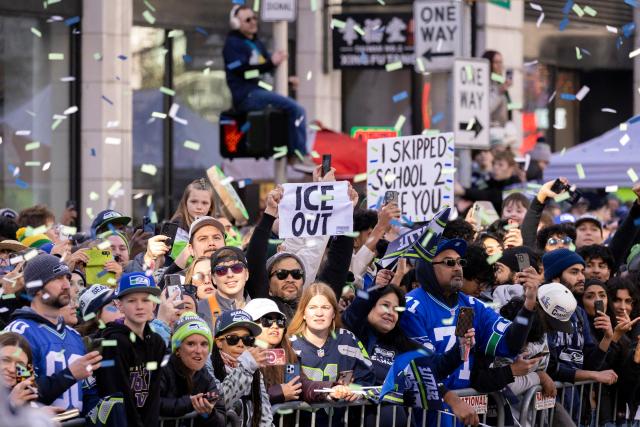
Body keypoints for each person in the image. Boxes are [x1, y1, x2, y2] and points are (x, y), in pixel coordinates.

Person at [399, 235, 538, 404]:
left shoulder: (472, 306)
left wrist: (529, 305)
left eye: (460, 262)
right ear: (428, 267)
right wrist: (451, 399)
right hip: (428, 408)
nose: (457, 268)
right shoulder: (412, 306)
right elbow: (424, 368)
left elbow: (509, 344)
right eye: (449, 262)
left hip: (465, 408)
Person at [341, 283, 480, 425]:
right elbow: (352, 315)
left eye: (396, 309)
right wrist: (376, 284)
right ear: (369, 306)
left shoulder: (406, 347)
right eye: (385, 305)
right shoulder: (353, 336)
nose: (390, 312)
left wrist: (461, 347)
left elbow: (437, 368)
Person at [5, 254, 102, 412]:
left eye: (67, 279)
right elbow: (20, 392)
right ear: (37, 288)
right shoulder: (20, 332)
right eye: (57, 279)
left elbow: (86, 392)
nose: (66, 285)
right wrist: (70, 374)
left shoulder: (75, 336)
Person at [222, 5, 313, 173]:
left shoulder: (255, 43)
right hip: (247, 95)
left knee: (288, 112)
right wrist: (271, 63)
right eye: (247, 20)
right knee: (296, 109)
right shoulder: (233, 45)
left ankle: (294, 153)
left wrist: (284, 80)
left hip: (256, 92)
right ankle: (298, 156)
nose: (253, 22)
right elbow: (245, 71)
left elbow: (265, 72)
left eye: (254, 18)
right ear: (236, 23)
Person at [243, 298, 355, 405]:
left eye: (280, 321)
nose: (275, 326)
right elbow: (238, 396)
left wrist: (330, 389)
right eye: (266, 320)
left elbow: (301, 385)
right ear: (249, 327)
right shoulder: (239, 356)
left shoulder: (287, 355)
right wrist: (278, 393)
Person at [94, 272, 167, 427]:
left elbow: (154, 394)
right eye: (132, 300)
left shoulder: (157, 342)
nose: (139, 306)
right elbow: (116, 394)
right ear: (120, 305)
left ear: (154, 304)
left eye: (145, 300)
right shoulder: (113, 342)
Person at [288, 283, 375, 386]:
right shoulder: (290, 344)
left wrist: (356, 391)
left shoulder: (348, 339)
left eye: (325, 307)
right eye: (312, 307)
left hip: (343, 402)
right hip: (303, 402)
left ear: (334, 313)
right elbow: (290, 385)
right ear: (303, 313)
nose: (319, 313)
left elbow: (367, 378)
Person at [160, 312, 226, 426]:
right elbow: (149, 403)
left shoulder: (206, 377)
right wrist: (190, 403)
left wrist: (209, 414)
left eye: (204, 344)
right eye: (191, 344)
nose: (199, 351)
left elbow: (221, 419)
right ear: (177, 349)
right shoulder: (162, 368)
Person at [210, 309, 272, 427]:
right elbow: (218, 401)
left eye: (247, 339)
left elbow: (265, 416)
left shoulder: (253, 369)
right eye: (233, 339)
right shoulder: (207, 364)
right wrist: (246, 367)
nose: (241, 344)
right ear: (219, 342)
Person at [198, 246, 251, 330]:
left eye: (237, 268)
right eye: (221, 270)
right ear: (213, 279)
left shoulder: (261, 307)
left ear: (247, 274)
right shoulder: (200, 310)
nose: (230, 275)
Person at [0, 332, 38, 407]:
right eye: (5, 360)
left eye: (20, 364)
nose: (12, 370)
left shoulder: (29, 403)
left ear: (27, 371)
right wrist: (10, 406)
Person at [483, 50, 512, 127]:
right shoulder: (484, 83)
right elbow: (485, 109)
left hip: (501, 129)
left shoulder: (498, 82)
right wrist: (498, 92)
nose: (499, 66)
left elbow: (507, 107)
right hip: (490, 129)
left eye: (501, 62)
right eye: (496, 62)